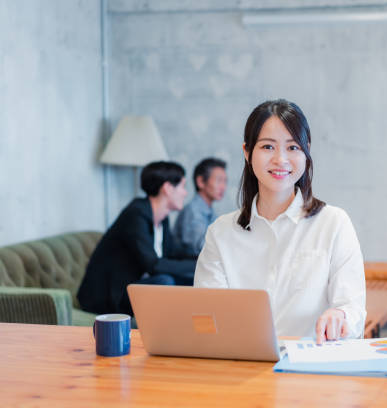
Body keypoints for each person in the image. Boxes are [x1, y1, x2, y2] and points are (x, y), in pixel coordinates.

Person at [194, 99, 366, 343]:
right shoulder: (221, 233)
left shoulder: (334, 223)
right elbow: (206, 315)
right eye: (267, 147)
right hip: (240, 366)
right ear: (247, 152)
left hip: (312, 368)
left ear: (306, 151)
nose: (281, 159)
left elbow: (353, 309)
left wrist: (340, 316)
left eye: (293, 147)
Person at [78, 161, 197, 316]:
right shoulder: (135, 214)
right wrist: (198, 265)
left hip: (133, 286)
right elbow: (153, 265)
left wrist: (204, 257)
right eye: (182, 186)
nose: (185, 193)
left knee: (191, 280)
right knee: (164, 282)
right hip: (109, 296)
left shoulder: (162, 218)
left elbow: (173, 252)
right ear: (167, 188)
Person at [174, 157, 227, 256]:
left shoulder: (209, 211)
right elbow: (202, 248)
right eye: (219, 180)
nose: (223, 187)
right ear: (201, 182)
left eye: (225, 181)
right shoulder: (193, 211)